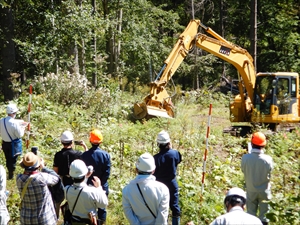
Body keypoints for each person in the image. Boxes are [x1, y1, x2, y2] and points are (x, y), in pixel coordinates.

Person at [122, 153, 170, 225]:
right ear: (153, 170)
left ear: (136, 170)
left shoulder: (127, 189)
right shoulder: (163, 189)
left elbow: (128, 212)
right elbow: (163, 214)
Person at [17, 152, 59, 225]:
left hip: (26, 218)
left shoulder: (19, 178)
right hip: (44, 218)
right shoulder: (41, 178)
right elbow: (56, 178)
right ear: (37, 165)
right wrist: (43, 168)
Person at [241, 132, 274, 225]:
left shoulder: (245, 158)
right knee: (265, 215)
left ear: (251, 144)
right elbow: (270, 171)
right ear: (264, 145)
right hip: (264, 190)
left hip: (251, 189)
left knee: (251, 215)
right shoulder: (268, 159)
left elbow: (243, 170)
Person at [81, 129, 111, 225]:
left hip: (88, 186)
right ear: (101, 141)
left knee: (88, 208)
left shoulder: (84, 155)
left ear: (90, 140)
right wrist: (100, 184)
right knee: (102, 208)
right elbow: (107, 172)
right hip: (101, 185)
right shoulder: (106, 155)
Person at [65, 159, 108, 225]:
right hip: (89, 222)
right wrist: (99, 187)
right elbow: (103, 204)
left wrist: (85, 177)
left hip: (74, 222)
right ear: (85, 173)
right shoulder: (92, 191)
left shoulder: (67, 189)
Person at [153, 130, 182, 225]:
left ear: (158, 144)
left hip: (159, 185)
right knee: (174, 206)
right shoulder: (174, 154)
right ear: (169, 142)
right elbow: (178, 160)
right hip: (171, 183)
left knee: (160, 207)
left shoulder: (155, 158)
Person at [0, 103, 26, 179]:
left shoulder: (1, 120)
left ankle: (9, 171)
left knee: (7, 158)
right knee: (12, 159)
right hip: (13, 144)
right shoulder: (14, 123)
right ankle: (11, 173)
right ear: (14, 113)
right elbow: (20, 135)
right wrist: (23, 127)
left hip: (4, 143)